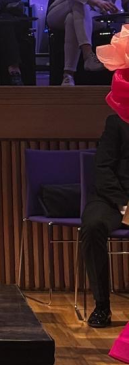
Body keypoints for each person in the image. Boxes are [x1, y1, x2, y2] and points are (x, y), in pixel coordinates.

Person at [79, 52, 129, 328]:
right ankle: (102, 306)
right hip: (114, 198)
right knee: (93, 225)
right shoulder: (116, 122)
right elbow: (103, 169)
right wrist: (124, 205)